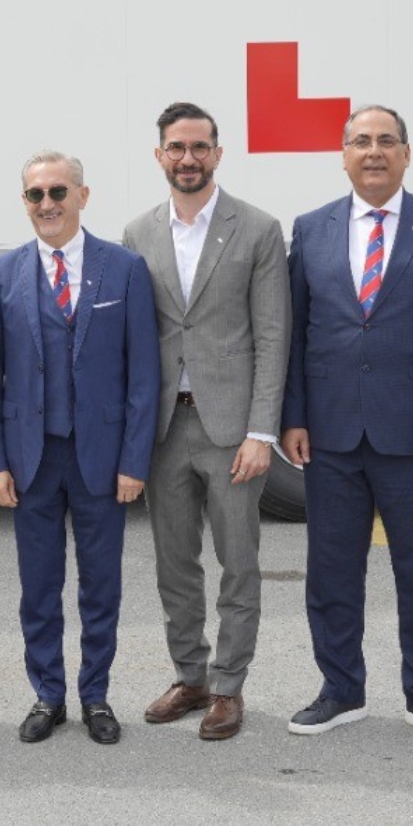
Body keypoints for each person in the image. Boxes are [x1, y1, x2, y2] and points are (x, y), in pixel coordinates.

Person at [279, 104, 413, 746]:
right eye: (361, 141)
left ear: (406, 154)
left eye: (386, 141)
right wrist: (293, 416)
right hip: (331, 433)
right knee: (331, 571)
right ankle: (341, 690)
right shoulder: (311, 229)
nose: (373, 151)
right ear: (343, 155)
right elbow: (295, 332)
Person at [0, 151, 160, 745]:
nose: (47, 204)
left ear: (83, 195)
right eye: (36, 194)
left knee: (101, 587)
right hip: (31, 459)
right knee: (39, 587)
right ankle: (47, 695)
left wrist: (134, 461)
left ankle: (96, 695)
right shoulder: (3, 274)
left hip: (101, 460)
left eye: (58, 191)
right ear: (25, 202)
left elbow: (143, 376)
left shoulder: (124, 268)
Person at [121, 103, 288, 741]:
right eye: (176, 147)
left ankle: (228, 686)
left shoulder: (258, 229)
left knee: (238, 561)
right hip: (165, 429)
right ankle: (189, 676)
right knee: (174, 564)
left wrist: (261, 432)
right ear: (159, 155)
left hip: (232, 431)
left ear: (217, 153)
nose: (187, 158)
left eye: (199, 147)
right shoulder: (138, 232)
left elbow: (272, 336)